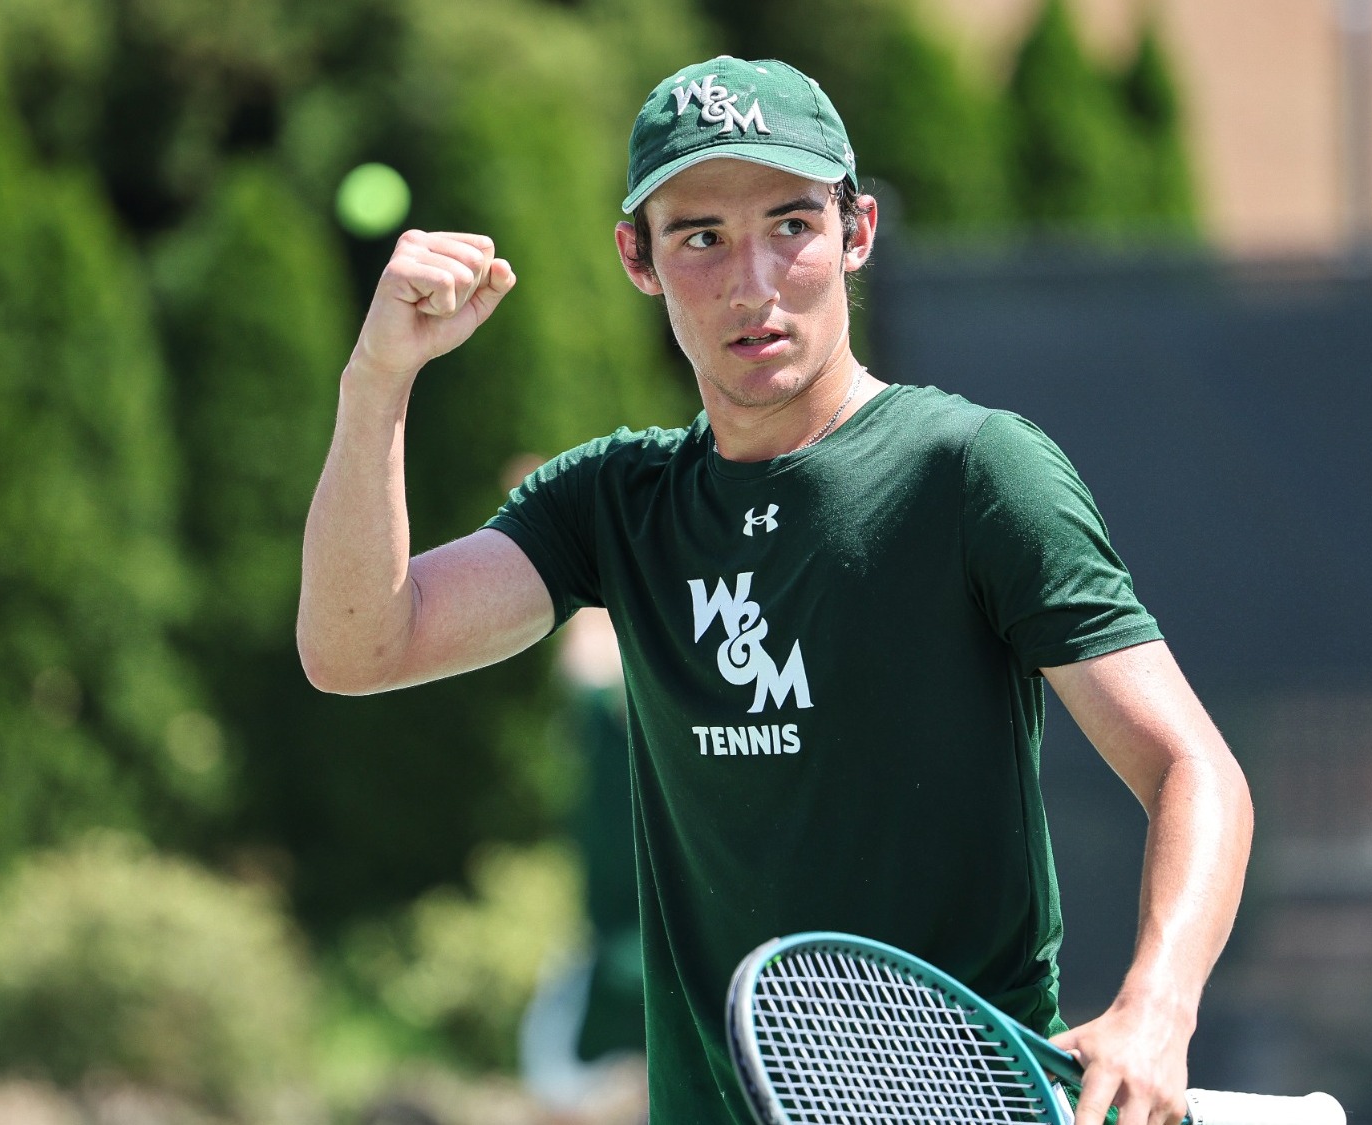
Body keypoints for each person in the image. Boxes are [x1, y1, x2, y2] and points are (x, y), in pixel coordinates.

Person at [299, 54, 1253, 1125]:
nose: (751, 280)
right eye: (699, 236)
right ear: (637, 258)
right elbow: (356, 648)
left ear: (856, 234)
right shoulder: (612, 503)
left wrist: (1155, 1010)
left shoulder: (974, 471)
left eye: (790, 225)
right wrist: (375, 382)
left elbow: (1190, 767)